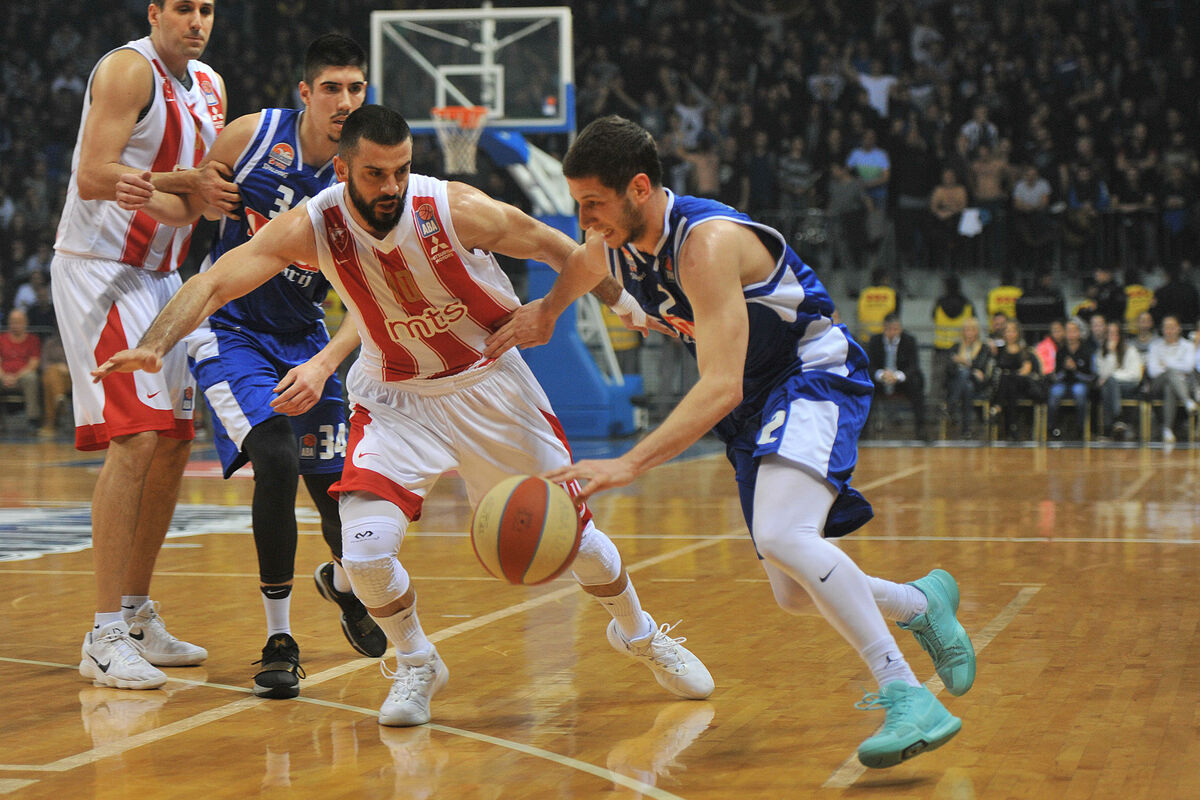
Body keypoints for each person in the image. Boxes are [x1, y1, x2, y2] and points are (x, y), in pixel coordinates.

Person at [92, 105, 714, 725]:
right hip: (395, 397)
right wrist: (155, 344)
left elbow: (560, 247)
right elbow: (213, 282)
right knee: (363, 554)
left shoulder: (454, 208)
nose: (391, 186)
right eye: (375, 174)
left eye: (401, 170)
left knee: (577, 541)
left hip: (488, 387)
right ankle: (417, 660)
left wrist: (615, 308)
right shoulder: (313, 225)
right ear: (343, 171)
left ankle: (638, 632)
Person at [487, 115, 974, 769]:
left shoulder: (705, 243)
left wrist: (629, 462)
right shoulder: (619, 240)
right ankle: (921, 602)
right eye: (579, 205)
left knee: (783, 536)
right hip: (756, 405)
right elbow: (582, 261)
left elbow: (719, 386)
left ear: (639, 189)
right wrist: (548, 312)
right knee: (795, 589)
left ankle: (907, 692)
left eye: (593, 204)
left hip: (810, 375)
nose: (586, 220)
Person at [144, 34, 386, 698]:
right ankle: (280, 639)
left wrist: (325, 364)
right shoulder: (251, 136)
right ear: (306, 93)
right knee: (277, 459)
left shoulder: (367, 179)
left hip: (307, 337)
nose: (344, 101)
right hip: (230, 329)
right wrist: (188, 192)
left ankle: (343, 584)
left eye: (355, 88)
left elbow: (369, 304)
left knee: (339, 496)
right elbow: (191, 199)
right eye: (331, 88)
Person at [50, 0, 232, 690]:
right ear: (156, 12)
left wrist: (181, 192)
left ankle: (132, 614)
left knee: (176, 443)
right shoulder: (129, 70)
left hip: (163, 276)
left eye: (206, 9)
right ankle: (101, 635)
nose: (197, 21)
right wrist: (185, 183)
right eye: (184, 8)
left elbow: (191, 208)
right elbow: (93, 175)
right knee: (134, 439)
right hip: (100, 269)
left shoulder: (211, 86)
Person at [866, 313, 929, 441]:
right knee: (866, 388)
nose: (892, 333)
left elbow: (914, 366)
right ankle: (863, 433)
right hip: (880, 381)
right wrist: (881, 374)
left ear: (900, 329)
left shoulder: (909, 340)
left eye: (896, 329)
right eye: (889, 329)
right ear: (884, 328)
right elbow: (869, 365)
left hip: (902, 381)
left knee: (917, 384)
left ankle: (921, 430)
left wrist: (897, 376)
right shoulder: (874, 341)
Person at [1145, 315, 1196, 445]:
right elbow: (1153, 371)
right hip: (1157, 384)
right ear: (1162, 329)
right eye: (1166, 327)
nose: (1169, 331)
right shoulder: (1155, 346)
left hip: (1181, 384)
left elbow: (1189, 367)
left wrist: (1166, 364)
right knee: (1170, 374)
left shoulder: (1188, 345)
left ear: (1179, 328)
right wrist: (1174, 368)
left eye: (1172, 327)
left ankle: (1167, 430)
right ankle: (1187, 401)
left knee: (1170, 386)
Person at [991, 320, 1045, 441]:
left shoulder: (1025, 350)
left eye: (1013, 331)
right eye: (1007, 331)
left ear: (1018, 333)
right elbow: (995, 369)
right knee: (1009, 384)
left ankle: (997, 407)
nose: (1010, 334)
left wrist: (1010, 373)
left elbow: (1025, 371)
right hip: (1008, 389)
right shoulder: (999, 350)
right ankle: (1013, 427)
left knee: (1008, 378)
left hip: (1023, 386)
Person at [1045, 319, 1096, 440]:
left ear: (1079, 333)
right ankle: (1052, 428)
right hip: (1063, 383)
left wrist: (1075, 369)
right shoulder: (1061, 351)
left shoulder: (1087, 350)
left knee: (1079, 392)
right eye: (1068, 331)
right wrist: (1064, 368)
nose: (1071, 334)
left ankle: (1080, 429)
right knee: (1054, 392)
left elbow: (1091, 376)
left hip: (1080, 383)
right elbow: (1056, 376)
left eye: (1074, 331)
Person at [1095, 321, 1143, 440]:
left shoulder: (1130, 350)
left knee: (1110, 383)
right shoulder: (1101, 353)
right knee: (1108, 386)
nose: (1112, 337)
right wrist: (1111, 354)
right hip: (1111, 387)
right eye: (1109, 333)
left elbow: (1135, 375)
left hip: (1130, 386)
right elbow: (1102, 375)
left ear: (1120, 335)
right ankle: (1118, 422)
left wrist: (1114, 376)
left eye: (1115, 333)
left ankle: (1108, 428)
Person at [945, 318, 992, 438]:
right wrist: (971, 367)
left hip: (977, 384)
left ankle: (951, 406)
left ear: (977, 332)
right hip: (957, 383)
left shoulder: (984, 348)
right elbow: (949, 368)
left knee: (965, 375)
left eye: (972, 330)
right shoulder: (955, 347)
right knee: (967, 386)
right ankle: (966, 430)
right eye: (967, 330)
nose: (969, 333)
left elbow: (981, 367)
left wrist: (963, 362)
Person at [0, 308, 41, 429]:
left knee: (32, 378)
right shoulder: (1, 339)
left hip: (23, 376)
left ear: (25, 323)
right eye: (13, 321)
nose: (15, 324)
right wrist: (4, 376)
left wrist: (16, 377)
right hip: (4, 376)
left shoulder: (33, 339)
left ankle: (33, 419)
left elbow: (34, 364)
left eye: (19, 321)